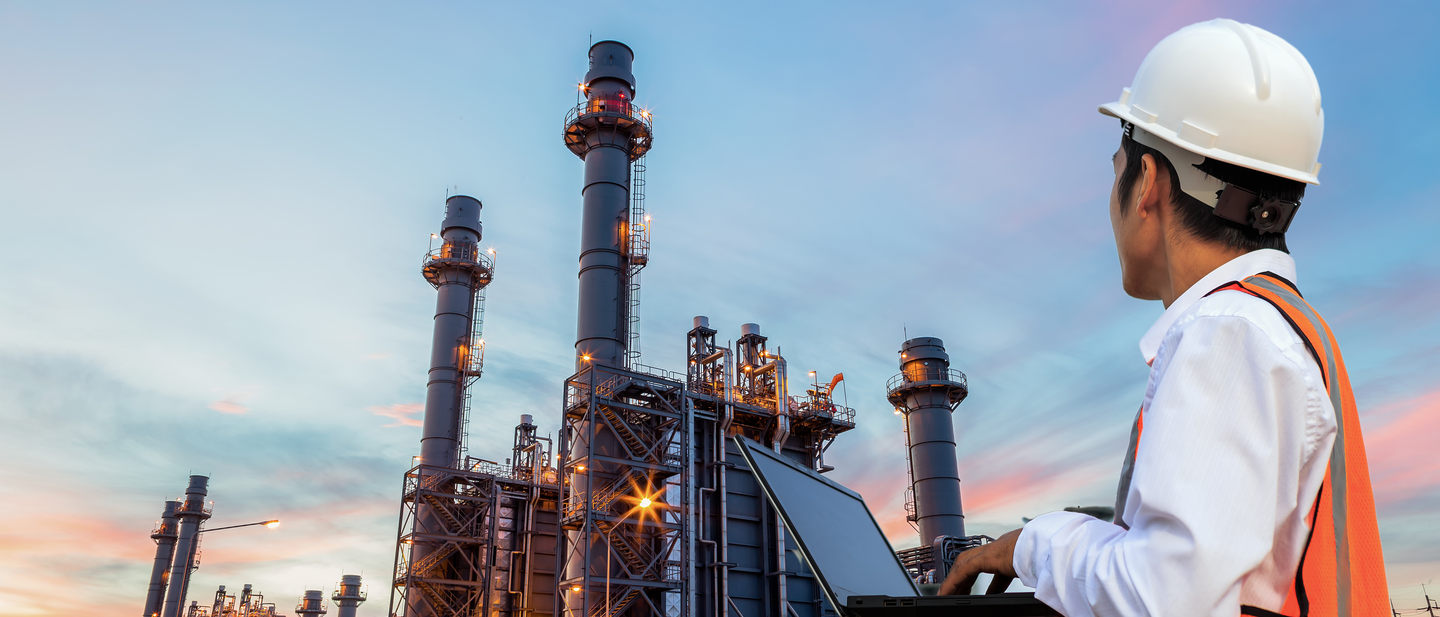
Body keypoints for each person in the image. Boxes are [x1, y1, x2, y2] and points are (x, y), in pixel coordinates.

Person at [938, 19, 1388, 616]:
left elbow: (1162, 600)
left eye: (1117, 167)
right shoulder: (1285, 330)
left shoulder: (1229, 333)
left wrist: (1037, 541)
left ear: (1147, 181)